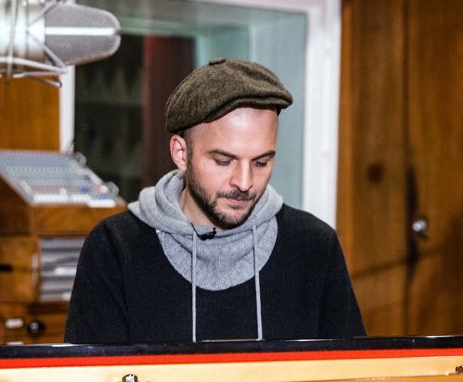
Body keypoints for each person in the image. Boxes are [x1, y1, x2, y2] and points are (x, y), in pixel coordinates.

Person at [65, 58, 365, 344]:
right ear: (181, 154)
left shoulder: (314, 246)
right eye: (224, 161)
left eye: (261, 162)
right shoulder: (116, 249)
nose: (244, 182)